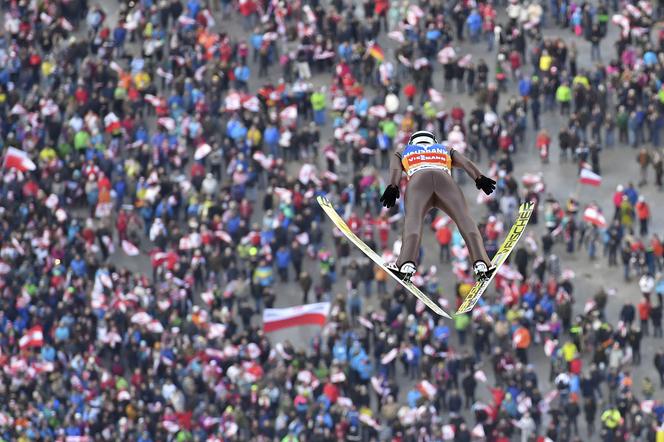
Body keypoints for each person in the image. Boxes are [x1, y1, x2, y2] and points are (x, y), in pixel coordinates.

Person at [380, 130, 497, 281]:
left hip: (418, 181)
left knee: (413, 222)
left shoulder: (403, 150)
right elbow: (466, 163)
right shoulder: (444, 148)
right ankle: (481, 262)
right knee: (464, 220)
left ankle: (405, 264)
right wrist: (479, 178)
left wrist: (393, 186)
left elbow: (395, 169)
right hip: (445, 180)